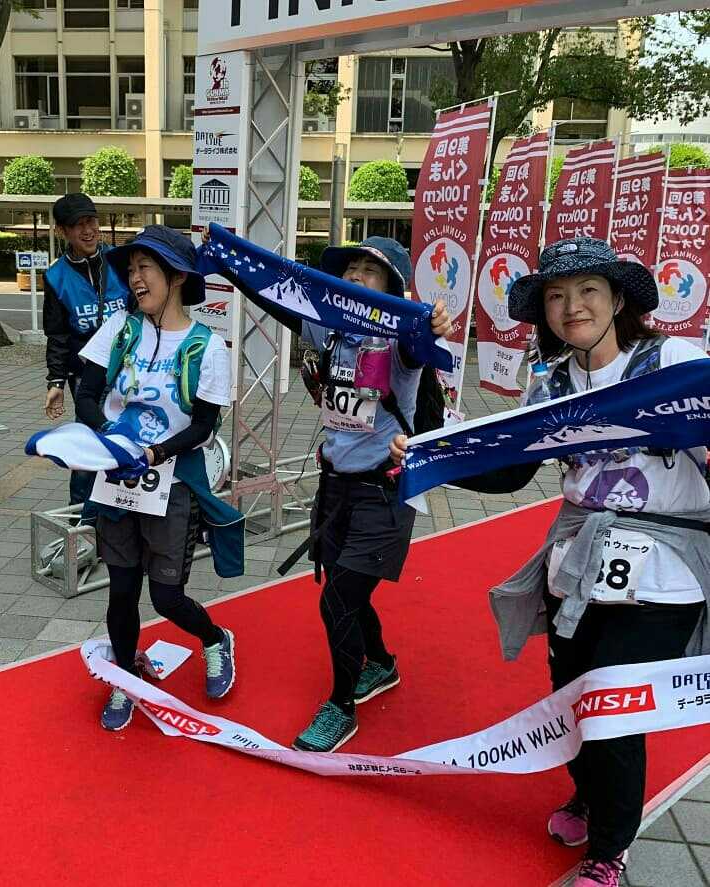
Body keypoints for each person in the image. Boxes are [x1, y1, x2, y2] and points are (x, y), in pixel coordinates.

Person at [390, 237, 710, 887]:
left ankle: (610, 849)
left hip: (664, 566)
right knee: (571, 693)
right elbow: (511, 470)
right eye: (557, 296)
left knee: (612, 705)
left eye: (588, 290)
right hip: (575, 559)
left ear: (617, 299)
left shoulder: (673, 362)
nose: (572, 307)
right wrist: (427, 455)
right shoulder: (552, 382)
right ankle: (588, 794)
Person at [215, 231, 451, 752]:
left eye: (370, 272)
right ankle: (381, 663)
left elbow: (423, 337)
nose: (355, 278)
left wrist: (430, 321)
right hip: (335, 488)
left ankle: (341, 707)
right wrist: (227, 260)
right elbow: (273, 294)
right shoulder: (327, 328)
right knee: (350, 589)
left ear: (391, 287)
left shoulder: (401, 338)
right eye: (349, 270)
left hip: (385, 492)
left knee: (338, 600)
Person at [74, 225, 242, 732]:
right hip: (117, 479)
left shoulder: (206, 346)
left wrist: (153, 452)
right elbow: (86, 394)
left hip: (171, 480)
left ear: (177, 276)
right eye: (130, 269)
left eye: (144, 267)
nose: (134, 277)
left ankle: (215, 639)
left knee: (166, 597)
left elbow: (204, 425)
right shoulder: (120, 329)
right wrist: (110, 440)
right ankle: (126, 678)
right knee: (121, 589)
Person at [42, 193, 130, 521]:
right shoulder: (56, 276)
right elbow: (58, 335)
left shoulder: (122, 261)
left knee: (129, 442)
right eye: (78, 225)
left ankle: (126, 516)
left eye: (91, 221)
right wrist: (56, 382)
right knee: (88, 448)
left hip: (130, 373)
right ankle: (81, 521)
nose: (88, 230)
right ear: (62, 231)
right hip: (87, 379)